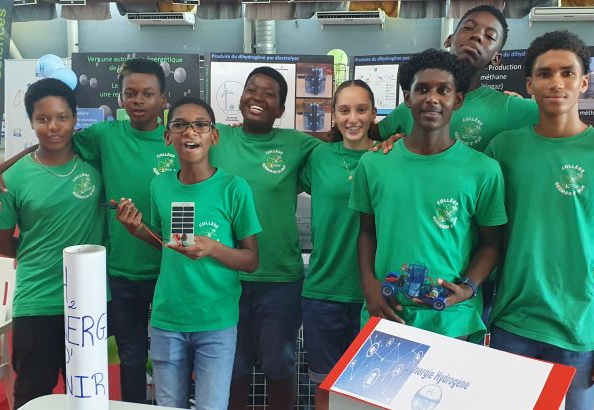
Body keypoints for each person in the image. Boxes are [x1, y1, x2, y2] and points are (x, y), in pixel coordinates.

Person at [0, 58, 173, 404]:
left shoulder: (174, 139)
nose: (53, 126)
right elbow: (53, 143)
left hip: (140, 280)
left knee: (104, 382)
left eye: (147, 93)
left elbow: (57, 139)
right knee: (43, 390)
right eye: (130, 92)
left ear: (163, 99)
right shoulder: (103, 138)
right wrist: (0, 169)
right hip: (76, 288)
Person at [375, 4, 594, 218]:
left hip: (476, 240)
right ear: (450, 38)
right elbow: (369, 135)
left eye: (489, 36)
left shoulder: (509, 107)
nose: (476, 36)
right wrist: (386, 143)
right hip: (418, 223)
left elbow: (577, 124)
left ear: (496, 58)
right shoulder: (414, 106)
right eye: (468, 28)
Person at [485, 31, 594, 410]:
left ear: (584, 82)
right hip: (512, 324)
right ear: (530, 85)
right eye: (545, 73)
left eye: (567, 73)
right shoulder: (503, 149)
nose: (556, 82)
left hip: (578, 332)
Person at [349, 49, 507, 343]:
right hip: (386, 311)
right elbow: (367, 232)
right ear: (407, 98)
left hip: (452, 319)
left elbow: (491, 245)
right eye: (422, 89)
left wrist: (469, 287)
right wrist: (369, 284)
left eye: (443, 90)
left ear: (457, 100)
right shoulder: (373, 164)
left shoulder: (484, 170)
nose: (432, 98)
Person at [116, 97, 261, 410]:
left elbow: (251, 260)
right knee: (169, 406)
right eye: (180, 125)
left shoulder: (234, 188)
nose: (190, 132)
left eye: (200, 125)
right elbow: (166, 243)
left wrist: (212, 248)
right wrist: (138, 230)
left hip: (216, 319)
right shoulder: (160, 185)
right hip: (168, 317)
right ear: (168, 136)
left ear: (214, 135)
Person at [0, 78, 104, 409]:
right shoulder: (11, 181)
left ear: (75, 118)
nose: (53, 127)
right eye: (43, 119)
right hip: (37, 301)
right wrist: (39, 254)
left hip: (90, 303)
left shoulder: (95, 161)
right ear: (31, 121)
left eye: (62, 117)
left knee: (88, 394)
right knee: (33, 395)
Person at [208, 66, 322, 410]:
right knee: (234, 367)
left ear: (281, 109)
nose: (257, 97)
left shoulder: (297, 144)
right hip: (225, 277)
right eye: (251, 89)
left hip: (279, 280)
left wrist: (386, 140)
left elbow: (343, 150)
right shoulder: (218, 138)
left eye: (269, 94)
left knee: (279, 366)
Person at [298, 80, 377, 409]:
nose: (353, 118)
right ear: (333, 114)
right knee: (326, 390)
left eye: (361, 110)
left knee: (368, 392)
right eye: (344, 110)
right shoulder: (319, 157)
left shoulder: (389, 156)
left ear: (373, 113)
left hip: (373, 296)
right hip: (323, 292)